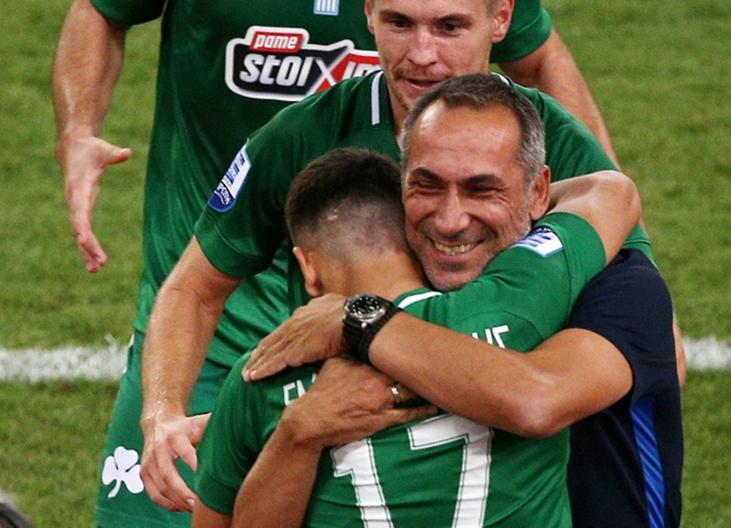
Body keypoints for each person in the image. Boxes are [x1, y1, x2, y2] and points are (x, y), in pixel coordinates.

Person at [52, 0, 620, 525]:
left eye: (448, 28)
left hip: (472, 386)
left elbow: (623, 290)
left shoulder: (546, 137)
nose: (422, 54)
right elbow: (194, 287)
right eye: (400, 24)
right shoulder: (302, 134)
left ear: (501, 19)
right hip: (283, 373)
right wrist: (161, 411)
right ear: (368, 13)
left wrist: (362, 325)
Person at [236, 75, 682, 526]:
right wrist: (285, 427)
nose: (450, 221)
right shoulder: (402, 292)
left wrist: (358, 320)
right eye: (427, 186)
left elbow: (537, 399)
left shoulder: (619, 287)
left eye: (482, 189)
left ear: (539, 192)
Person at [192, 139, 627, 526]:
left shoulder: (262, 373)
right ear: (412, 233)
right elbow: (611, 190)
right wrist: (514, 196)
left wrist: (294, 435)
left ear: (308, 266)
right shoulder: (517, 301)